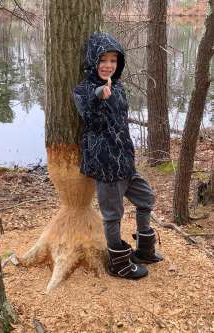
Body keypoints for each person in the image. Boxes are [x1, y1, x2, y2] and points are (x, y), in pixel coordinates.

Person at [73, 32, 163, 280]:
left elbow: (121, 123)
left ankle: (144, 249)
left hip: (126, 162)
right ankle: (119, 264)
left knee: (146, 199)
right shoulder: (83, 90)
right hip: (106, 166)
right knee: (113, 216)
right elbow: (88, 116)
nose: (108, 65)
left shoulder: (119, 86)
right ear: (93, 61)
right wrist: (99, 95)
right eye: (103, 60)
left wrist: (130, 157)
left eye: (113, 61)